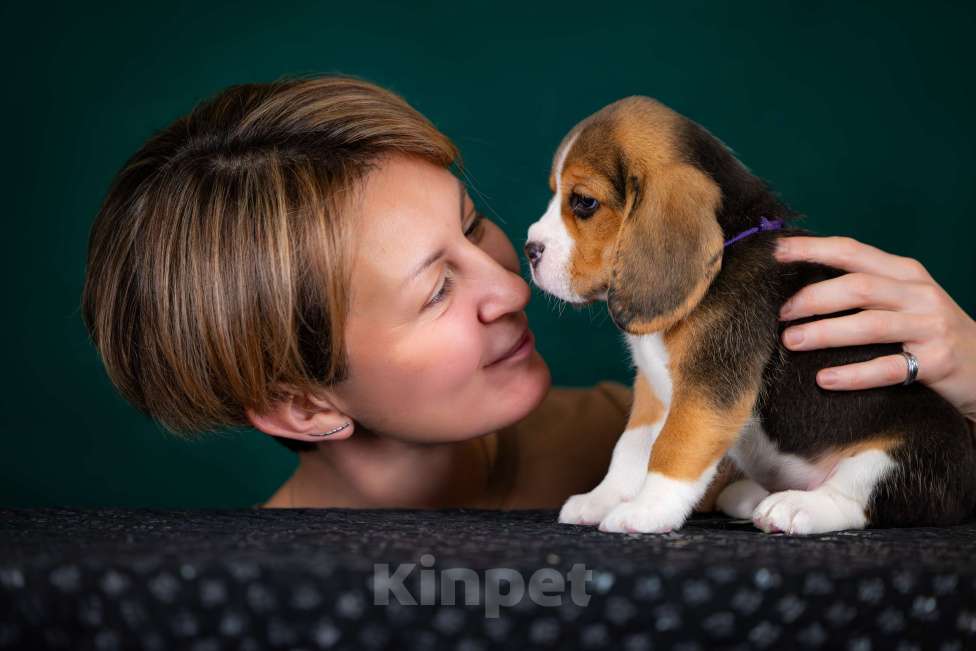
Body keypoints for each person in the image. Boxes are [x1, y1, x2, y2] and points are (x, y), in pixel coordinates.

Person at [81, 75, 976, 512]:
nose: (509, 283)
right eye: (436, 289)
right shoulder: (234, 601)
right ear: (301, 403)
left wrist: (972, 379)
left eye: (472, 224)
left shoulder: (667, 435)